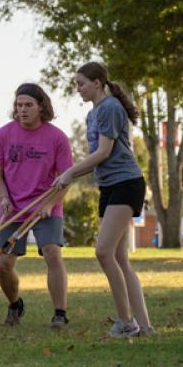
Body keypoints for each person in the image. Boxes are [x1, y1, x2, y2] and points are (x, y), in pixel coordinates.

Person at [55, 62, 154, 337]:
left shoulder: (110, 107)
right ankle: (144, 326)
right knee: (120, 257)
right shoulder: (93, 114)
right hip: (109, 186)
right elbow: (96, 160)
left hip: (126, 183)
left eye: (81, 83)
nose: (78, 89)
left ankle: (126, 322)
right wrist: (67, 176)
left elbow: (104, 152)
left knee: (103, 251)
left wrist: (69, 172)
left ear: (97, 82)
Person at [0, 83, 73, 329]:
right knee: (4, 264)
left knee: (52, 252)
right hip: (12, 208)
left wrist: (50, 204)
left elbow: (66, 178)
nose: (22, 110)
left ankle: (60, 313)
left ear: (41, 107)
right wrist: (4, 198)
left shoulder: (57, 137)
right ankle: (15, 304)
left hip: (45, 206)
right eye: (19, 105)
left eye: (28, 105)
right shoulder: (3, 135)